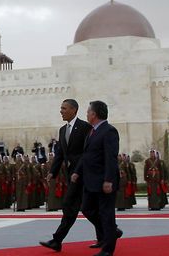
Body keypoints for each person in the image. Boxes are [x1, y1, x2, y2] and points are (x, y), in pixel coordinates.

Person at [41, 99, 119, 252]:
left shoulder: (87, 127)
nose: (61, 111)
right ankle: (106, 233)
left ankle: (106, 235)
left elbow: (94, 154)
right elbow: (60, 154)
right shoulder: (63, 130)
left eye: (64, 108)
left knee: (86, 207)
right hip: (76, 175)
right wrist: (53, 171)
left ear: (73, 110)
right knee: (77, 207)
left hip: (88, 175)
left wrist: (106, 178)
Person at [71, 100, 120, 256]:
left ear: (94, 114)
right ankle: (112, 231)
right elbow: (87, 155)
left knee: (106, 214)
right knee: (87, 208)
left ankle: (107, 249)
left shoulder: (109, 131)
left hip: (103, 181)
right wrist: (77, 171)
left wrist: (108, 180)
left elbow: (110, 158)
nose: (86, 114)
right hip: (90, 180)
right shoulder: (92, 131)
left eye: (88, 112)